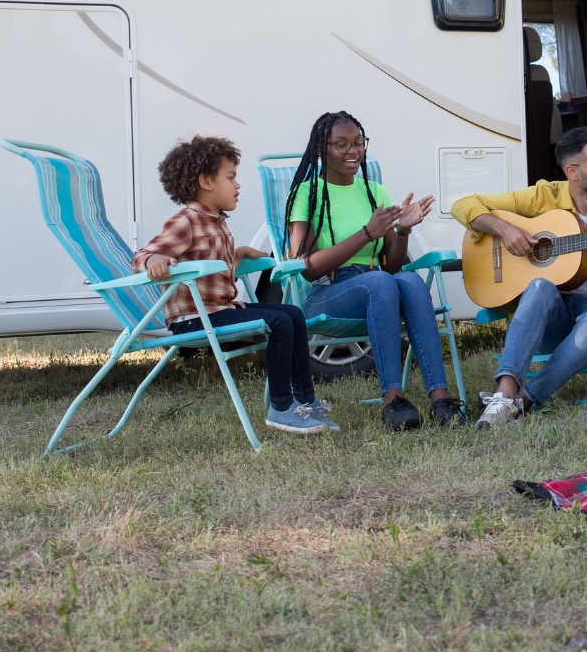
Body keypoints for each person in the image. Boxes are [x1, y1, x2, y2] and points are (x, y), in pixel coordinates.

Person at [451, 125, 587, 427]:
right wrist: (505, 229)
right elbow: (462, 205)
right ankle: (504, 394)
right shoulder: (544, 197)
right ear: (572, 172)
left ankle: (524, 401)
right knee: (539, 284)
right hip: (550, 318)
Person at [133, 135, 339, 435]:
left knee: (293, 313)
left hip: (220, 309)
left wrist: (238, 253)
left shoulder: (217, 221)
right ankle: (281, 407)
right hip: (194, 319)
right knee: (280, 322)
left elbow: (210, 258)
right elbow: (143, 254)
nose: (237, 185)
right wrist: (154, 259)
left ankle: (306, 402)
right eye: (230, 177)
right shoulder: (187, 220)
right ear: (205, 182)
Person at [285, 111, 465, 431]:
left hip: (375, 283)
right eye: (342, 144)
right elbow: (308, 268)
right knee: (381, 282)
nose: (353, 151)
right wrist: (366, 234)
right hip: (328, 291)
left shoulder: (374, 192)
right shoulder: (307, 194)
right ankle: (393, 401)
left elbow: (391, 265)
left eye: (359, 143)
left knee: (408, 279)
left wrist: (404, 231)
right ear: (320, 149)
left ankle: (440, 400)